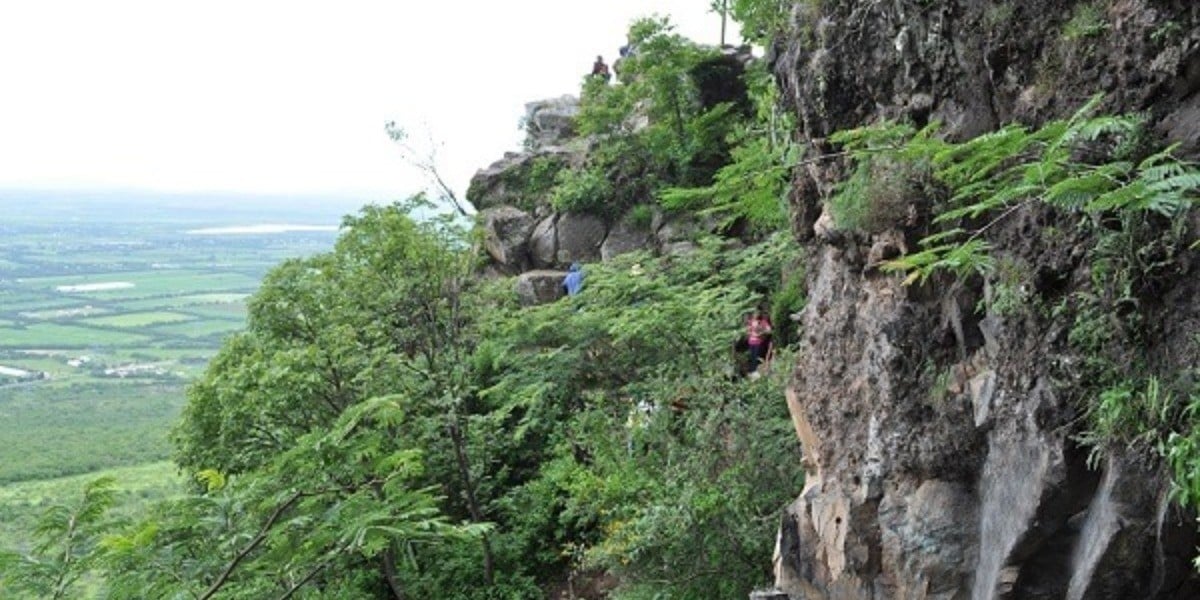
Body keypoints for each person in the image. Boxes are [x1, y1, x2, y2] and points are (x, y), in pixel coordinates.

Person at [746, 309, 772, 374]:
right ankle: (752, 371)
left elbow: (769, 330)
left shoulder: (763, 322)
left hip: (758, 342)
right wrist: (749, 332)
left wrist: (761, 333)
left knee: (757, 356)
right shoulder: (751, 321)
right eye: (755, 314)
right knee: (751, 356)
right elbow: (747, 330)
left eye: (757, 313)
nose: (756, 315)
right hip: (751, 341)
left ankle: (756, 371)